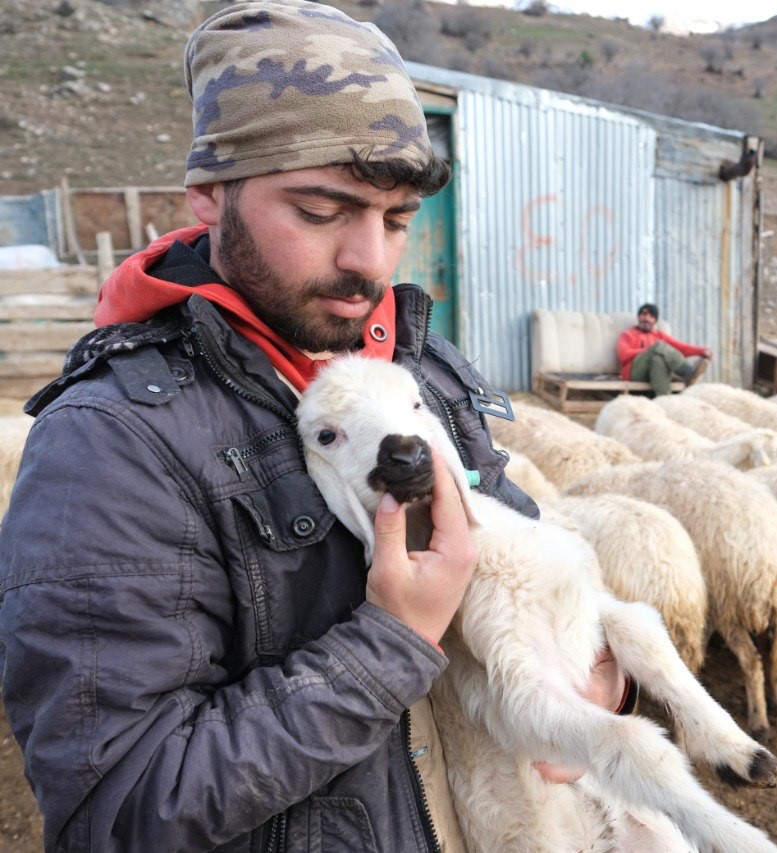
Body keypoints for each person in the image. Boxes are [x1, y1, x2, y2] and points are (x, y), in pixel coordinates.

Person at [0, 2, 626, 850]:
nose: (369, 259)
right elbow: (120, 808)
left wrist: (600, 669)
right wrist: (391, 642)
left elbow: (520, 547)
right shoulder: (110, 443)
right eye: (323, 210)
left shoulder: (418, 371)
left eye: (396, 217)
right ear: (211, 194)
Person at [616, 302, 713, 396]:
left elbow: (680, 347)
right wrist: (650, 350)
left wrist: (701, 351)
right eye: (643, 314)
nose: (646, 318)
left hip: (653, 374)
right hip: (634, 373)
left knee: (657, 359)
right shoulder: (627, 335)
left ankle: (664, 399)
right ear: (638, 317)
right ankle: (687, 371)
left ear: (655, 321)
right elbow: (623, 355)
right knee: (658, 346)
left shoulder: (659, 335)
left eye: (651, 316)